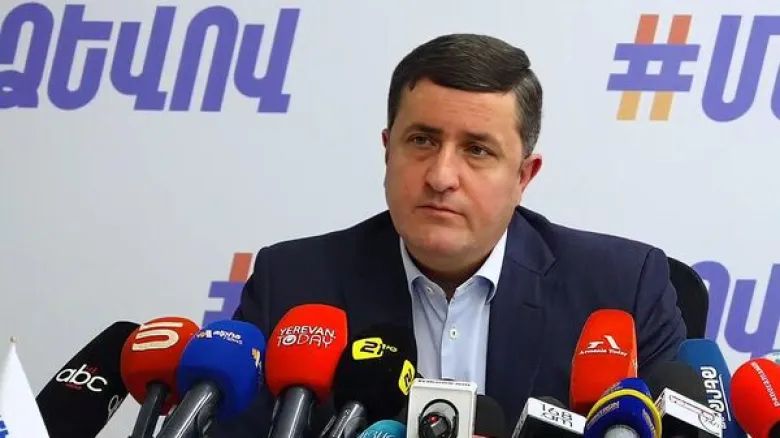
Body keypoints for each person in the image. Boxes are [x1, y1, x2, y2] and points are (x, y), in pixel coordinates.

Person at [207, 33, 686, 437]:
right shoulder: (292, 285)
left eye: (477, 150)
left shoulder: (622, 289)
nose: (440, 176)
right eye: (422, 141)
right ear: (387, 150)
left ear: (523, 176)